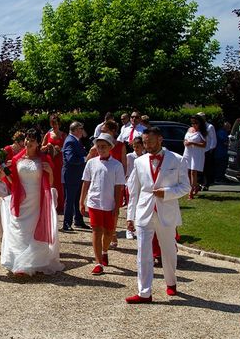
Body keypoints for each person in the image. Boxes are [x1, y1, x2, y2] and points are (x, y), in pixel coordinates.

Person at [125, 127, 191, 304]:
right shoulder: (139, 162)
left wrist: (167, 193)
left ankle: (171, 281)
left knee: (168, 251)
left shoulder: (177, 159)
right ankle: (144, 292)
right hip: (144, 212)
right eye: (145, 142)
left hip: (166, 212)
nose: (147, 146)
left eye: (151, 142)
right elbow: (134, 192)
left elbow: (186, 187)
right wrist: (130, 216)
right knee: (143, 252)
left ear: (160, 139)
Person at [0, 128, 64, 275]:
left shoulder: (43, 159)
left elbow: (51, 183)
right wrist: (4, 172)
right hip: (21, 198)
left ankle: (34, 261)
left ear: (37, 143)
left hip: (37, 198)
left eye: (32, 140)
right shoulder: (17, 159)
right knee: (20, 227)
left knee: (34, 227)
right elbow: (13, 181)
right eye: (27, 139)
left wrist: (50, 172)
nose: (29, 142)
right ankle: (18, 261)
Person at [80, 133, 125, 275]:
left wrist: (116, 207)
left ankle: (105, 250)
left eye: (104, 147)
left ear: (110, 147)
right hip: (94, 202)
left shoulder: (117, 165)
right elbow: (86, 183)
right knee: (96, 230)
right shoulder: (91, 163)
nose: (101, 149)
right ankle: (98, 262)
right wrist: (82, 201)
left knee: (109, 232)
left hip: (110, 204)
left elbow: (119, 188)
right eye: (98, 147)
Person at [87, 120, 125, 248]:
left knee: (112, 218)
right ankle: (101, 254)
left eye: (104, 130)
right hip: (98, 188)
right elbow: (88, 170)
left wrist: (122, 181)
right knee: (97, 228)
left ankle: (111, 235)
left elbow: (123, 164)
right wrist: (92, 152)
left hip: (115, 179)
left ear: (112, 131)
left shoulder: (120, 145)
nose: (101, 132)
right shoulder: (97, 148)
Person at [61, 121, 89, 231]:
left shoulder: (75, 140)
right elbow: (70, 158)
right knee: (70, 200)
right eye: (81, 129)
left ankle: (78, 220)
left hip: (77, 175)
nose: (82, 131)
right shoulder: (70, 141)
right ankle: (66, 223)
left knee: (77, 199)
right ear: (76, 130)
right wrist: (85, 159)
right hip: (71, 176)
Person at [41, 114, 66, 213]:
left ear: (59, 124)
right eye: (52, 124)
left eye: (56, 123)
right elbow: (41, 148)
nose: (54, 126)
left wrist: (60, 149)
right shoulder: (48, 135)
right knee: (51, 181)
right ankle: (50, 203)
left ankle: (60, 205)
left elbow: (67, 149)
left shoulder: (64, 135)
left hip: (59, 160)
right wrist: (47, 146)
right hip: (50, 160)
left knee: (59, 182)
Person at [125, 136, 145, 239]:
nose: (136, 149)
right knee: (131, 204)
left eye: (138, 146)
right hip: (131, 183)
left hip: (142, 184)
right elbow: (125, 168)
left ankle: (136, 228)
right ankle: (129, 229)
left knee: (139, 205)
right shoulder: (129, 156)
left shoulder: (145, 157)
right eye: (134, 146)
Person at [183, 115, 207, 199]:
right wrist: (185, 143)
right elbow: (185, 139)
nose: (194, 125)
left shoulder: (201, 132)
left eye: (196, 123)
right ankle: (195, 186)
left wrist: (192, 143)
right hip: (187, 152)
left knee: (193, 171)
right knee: (186, 171)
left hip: (196, 153)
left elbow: (204, 144)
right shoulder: (189, 130)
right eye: (192, 123)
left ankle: (190, 191)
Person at [198, 113, 217, 190]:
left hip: (207, 150)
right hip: (199, 150)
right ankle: (199, 183)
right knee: (199, 168)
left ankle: (206, 184)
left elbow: (213, 139)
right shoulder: (197, 127)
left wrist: (211, 149)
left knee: (206, 168)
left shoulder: (209, 127)